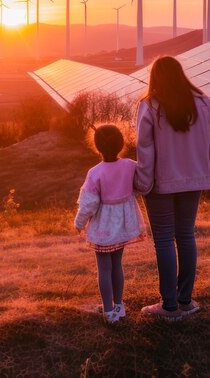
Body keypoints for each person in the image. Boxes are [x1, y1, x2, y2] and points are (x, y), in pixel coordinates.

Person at [134, 55, 210, 321]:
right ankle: (186, 301)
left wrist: (142, 184)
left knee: (165, 240)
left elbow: (145, 151)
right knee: (186, 236)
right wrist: (201, 173)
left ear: (155, 77)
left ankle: (168, 306)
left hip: (161, 182)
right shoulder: (204, 103)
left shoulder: (150, 106)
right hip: (194, 179)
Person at [74, 124, 147, 323]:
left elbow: (89, 204)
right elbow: (140, 186)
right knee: (117, 266)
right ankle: (118, 305)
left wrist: (79, 223)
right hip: (123, 225)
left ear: (97, 147)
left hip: (104, 228)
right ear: (121, 144)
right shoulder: (130, 165)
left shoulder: (95, 172)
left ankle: (108, 311)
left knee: (104, 269)